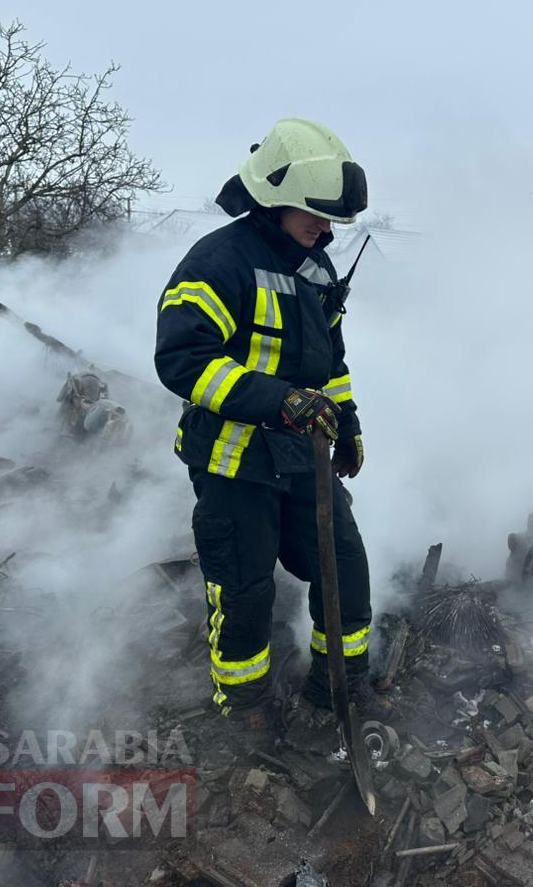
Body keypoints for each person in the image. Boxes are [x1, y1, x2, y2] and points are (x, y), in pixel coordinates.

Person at [154, 118, 372, 731]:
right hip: (233, 460)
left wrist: (347, 422)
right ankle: (245, 710)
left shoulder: (317, 267)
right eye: (314, 215)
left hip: (300, 454)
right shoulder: (219, 262)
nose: (325, 229)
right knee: (246, 589)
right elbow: (184, 359)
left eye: (330, 221)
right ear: (273, 199)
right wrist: (279, 401)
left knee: (344, 565)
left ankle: (339, 686)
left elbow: (330, 360)